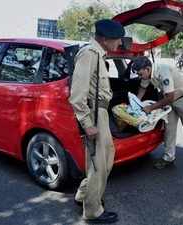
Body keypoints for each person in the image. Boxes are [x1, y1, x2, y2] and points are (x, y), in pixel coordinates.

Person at [69, 19, 124, 224]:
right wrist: (87, 123)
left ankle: (84, 195)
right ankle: (92, 211)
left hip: (100, 112)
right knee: (98, 164)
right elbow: (77, 95)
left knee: (105, 159)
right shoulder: (89, 54)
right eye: (117, 40)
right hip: (93, 115)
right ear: (105, 39)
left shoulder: (99, 55)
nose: (119, 44)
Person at [132, 56, 183, 171]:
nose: (140, 77)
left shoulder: (162, 70)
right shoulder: (147, 73)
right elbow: (142, 87)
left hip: (182, 98)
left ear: (148, 69)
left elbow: (170, 97)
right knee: (169, 130)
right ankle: (168, 157)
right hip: (168, 100)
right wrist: (136, 102)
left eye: (140, 74)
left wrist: (151, 107)